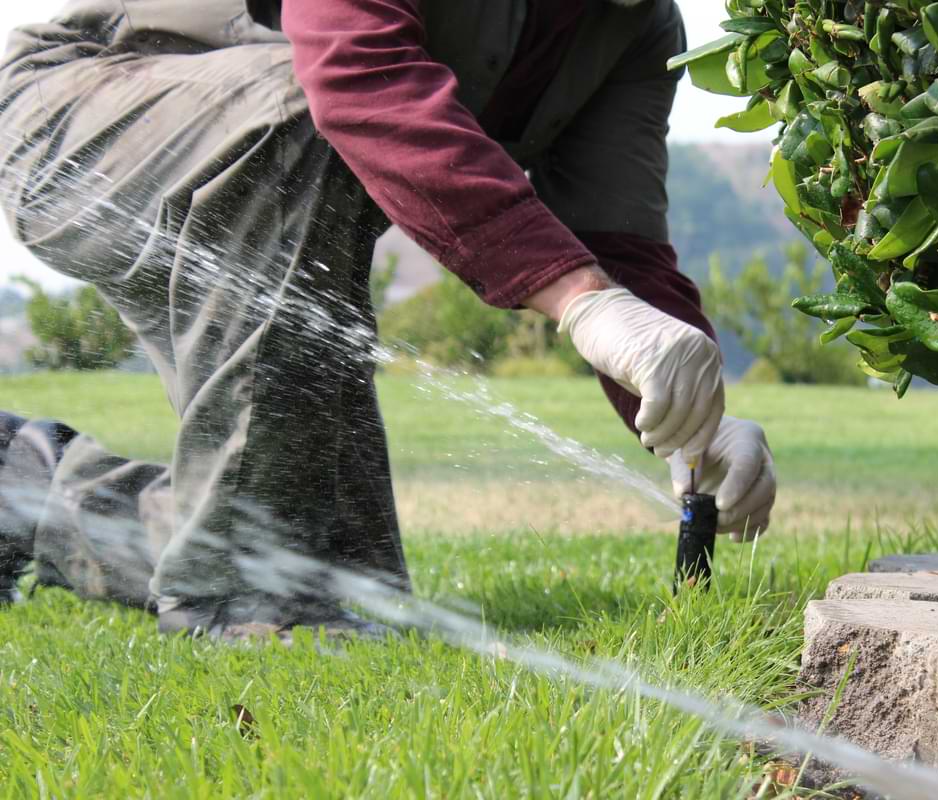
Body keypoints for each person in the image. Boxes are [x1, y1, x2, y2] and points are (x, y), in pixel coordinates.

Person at [0, 0, 777, 640]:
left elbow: (619, 244)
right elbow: (356, 77)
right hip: (76, 119)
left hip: (268, 175)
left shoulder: (636, 27)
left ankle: (26, 488)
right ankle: (238, 598)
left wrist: (695, 417)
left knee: (349, 579)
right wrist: (579, 300)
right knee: (300, 111)